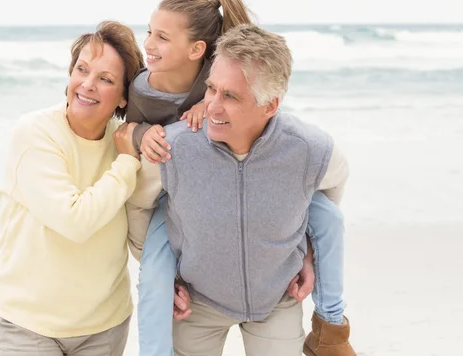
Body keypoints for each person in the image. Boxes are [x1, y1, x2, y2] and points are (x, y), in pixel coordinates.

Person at [126, 22, 356, 355]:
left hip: (277, 298)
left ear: (270, 106)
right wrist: (166, 275)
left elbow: (331, 191)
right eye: (211, 89)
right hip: (197, 302)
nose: (212, 106)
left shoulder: (310, 149)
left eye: (230, 96)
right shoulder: (173, 149)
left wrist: (308, 249)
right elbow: (138, 205)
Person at [0, 21, 145, 356]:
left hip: (105, 325)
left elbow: (144, 224)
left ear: (124, 96)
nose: (87, 85)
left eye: (106, 79)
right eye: (82, 70)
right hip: (27, 324)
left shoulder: (125, 141)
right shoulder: (35, 134)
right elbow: (74, 220)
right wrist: (127, 164)